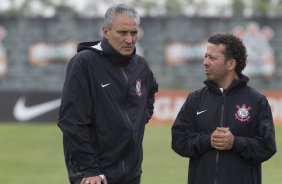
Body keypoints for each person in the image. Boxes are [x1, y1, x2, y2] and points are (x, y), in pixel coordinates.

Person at [58, 3, 158, 184]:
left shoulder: (141, 65)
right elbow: (71, 121)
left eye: (133, 33)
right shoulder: (84, 63)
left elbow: (150, 92)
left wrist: (141, 117)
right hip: (94, 175)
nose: (129, 39)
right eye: (122, 33)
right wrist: (89, 170)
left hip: (131, 173)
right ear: (106, 31)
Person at [171, 32, 276, 184]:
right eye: (205, 56)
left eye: (212, 58)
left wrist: (235, 142)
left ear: (230, 64)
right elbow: (179, 140)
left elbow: (267, 147)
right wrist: (208, 140)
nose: (205, 62)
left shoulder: (256, 101)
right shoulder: (195, 99)